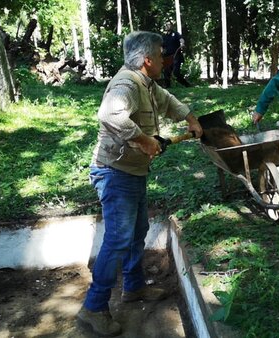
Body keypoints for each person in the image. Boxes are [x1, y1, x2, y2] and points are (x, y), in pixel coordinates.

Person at [76, 31, 203, 337]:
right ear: (148, 59)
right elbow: (109, 115)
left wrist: (191, 118)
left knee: (136, 233)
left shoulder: (146, 83)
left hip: (132, 172)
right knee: (119, 239)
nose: (164, 59)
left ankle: (132, 288)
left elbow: (168, 101)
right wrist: (145, 139)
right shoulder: (126, 83)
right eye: (160, 55)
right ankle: (93, 308)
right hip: (114, 172)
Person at [161, 21, 191, 88]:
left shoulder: (175, 34)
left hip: (176, 56)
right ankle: (168, 87)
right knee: (166, 73)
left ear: (172, 26)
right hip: (167, 57)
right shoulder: (164, 36)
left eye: (169, 25)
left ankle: (187, 85)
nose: (167, 26)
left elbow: (181, 39)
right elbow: (162, 46)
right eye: (166, 25)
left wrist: (182, 44)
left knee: (176, 72)